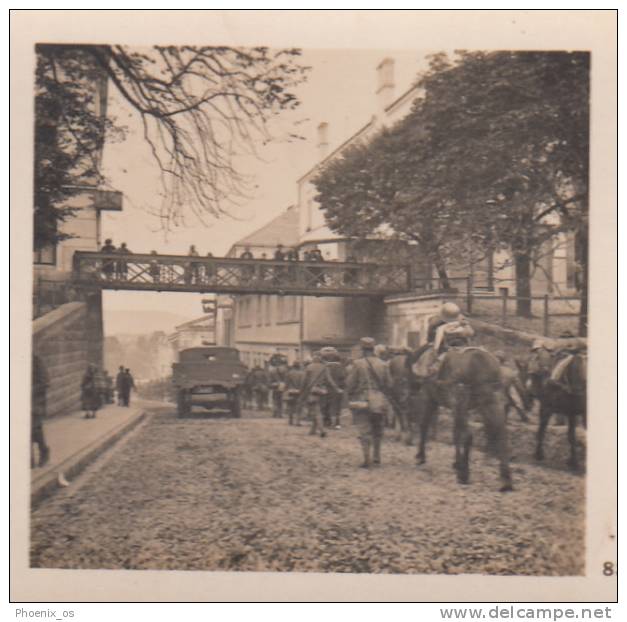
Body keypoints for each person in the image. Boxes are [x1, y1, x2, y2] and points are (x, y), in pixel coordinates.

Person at [346, 337, 393, 468]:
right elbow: (389, 383)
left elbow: (350, 384)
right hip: (379, 399)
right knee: (378, 429)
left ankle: (367, 459)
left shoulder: (358, 364)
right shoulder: (383, 364)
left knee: (364, 429)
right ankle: (377, 457)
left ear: (362, 349)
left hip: (362, 399)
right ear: (373, 349)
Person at [300, 351, 341, 438]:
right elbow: (330, 380)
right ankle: (312, 430)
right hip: (322, 392)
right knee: (317, 410)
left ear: (313, 357)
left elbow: (304, 381)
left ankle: (322, 430)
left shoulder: (309, 367)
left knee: (316, 411)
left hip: (312, 392)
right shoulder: (324, 368)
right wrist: (336, 388)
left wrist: (302, 392)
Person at [31, 354, 50, 467]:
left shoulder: (37, 360)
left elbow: (45, 382)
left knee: (35, 428)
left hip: (35, 401)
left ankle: (44, 450)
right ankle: (30, 459)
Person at [320, 347, 346, 429]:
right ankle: (337, 424)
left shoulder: (324, 366)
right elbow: (343, 377)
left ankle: (327, 422)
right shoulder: (340, 366)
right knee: (336, 406)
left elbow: (323, 379)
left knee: (326, 406)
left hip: (327, 389)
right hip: (338, 389)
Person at [268, 353, 289, 418]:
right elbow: (286, 378)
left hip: (275, 386)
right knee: (280, 400)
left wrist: (271, 384)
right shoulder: (284, 369)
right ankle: (280, 414)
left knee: (275, 400)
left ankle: (274, 413)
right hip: (282, 386)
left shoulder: (272, 370)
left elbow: (270, 379)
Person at [285, 361, 306, 425]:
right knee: (298, 406)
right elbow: (303, 383)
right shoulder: (302, 373)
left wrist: (287, 389)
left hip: (291, 391)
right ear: (299, 366)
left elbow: (286, 383)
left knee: (291, 406)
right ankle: (298, 421)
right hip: (299, 391)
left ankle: (290, 421)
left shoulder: (289, 373)